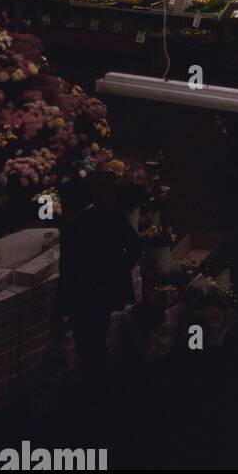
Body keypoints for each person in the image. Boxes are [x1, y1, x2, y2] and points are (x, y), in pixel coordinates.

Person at [52, 166, 141, 388]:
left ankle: (94, 388)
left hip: (81, 293)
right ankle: (99, 386)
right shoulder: (113, 217)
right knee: (97, 339)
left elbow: (67, 270)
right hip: (104, 290)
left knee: (87, 345)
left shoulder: (75, 226)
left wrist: (58, 307)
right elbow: (135, 246)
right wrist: (118, 269)